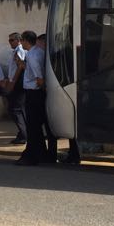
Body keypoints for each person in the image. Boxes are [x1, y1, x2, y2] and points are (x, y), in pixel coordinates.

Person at [35, 33, 81, 164]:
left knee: (53, 127)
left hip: (59, 93)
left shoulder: (56, 56)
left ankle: (59, 154)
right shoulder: (58, 54)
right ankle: (69, 154)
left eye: (40, 44)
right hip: (61, 92)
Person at [16, 31, 51, 166]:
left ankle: (31, 156)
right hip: (36, 92)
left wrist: (43, 89)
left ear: (25, 41)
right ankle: (41, 154)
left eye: (22, 41)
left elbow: (39, 77)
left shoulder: (32, 55)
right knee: (36, 127)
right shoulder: (39, 52)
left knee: (32, 127)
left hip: (34, 93)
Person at [4, 32, 28, 145]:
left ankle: (24, 134)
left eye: (12, 40)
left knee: (15, 109)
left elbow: (20, 66)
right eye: (9, 40)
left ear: (18, 40)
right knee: (19, 109)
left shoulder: (19, 50)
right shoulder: (16, 51)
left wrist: (13, 81)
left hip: (18, 83)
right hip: (16, 82)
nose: (10, 42)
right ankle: (22, 133)